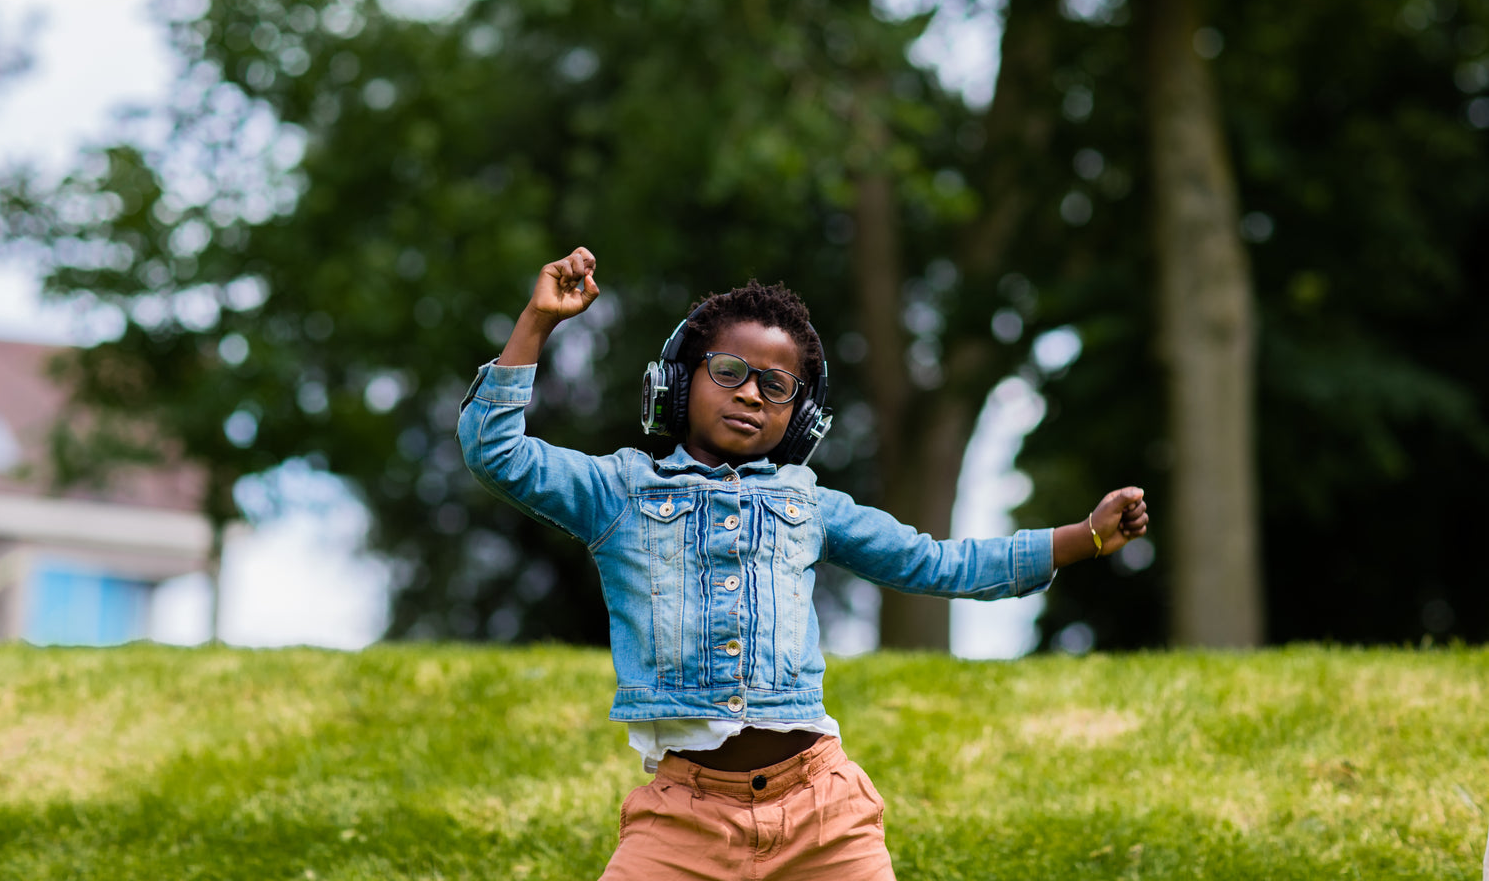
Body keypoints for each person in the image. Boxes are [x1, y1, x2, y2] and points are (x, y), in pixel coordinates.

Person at [458, 246, 1150, 880]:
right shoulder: (617, 491)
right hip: (681, 819)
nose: (752, 394)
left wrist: (1082, 537)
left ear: (802, 416)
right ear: (676, 381)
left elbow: (937, 563)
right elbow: (498, 454)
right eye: (728, 372)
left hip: (823, 813)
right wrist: (538, 322)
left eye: (777, 387)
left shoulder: (809, 503)